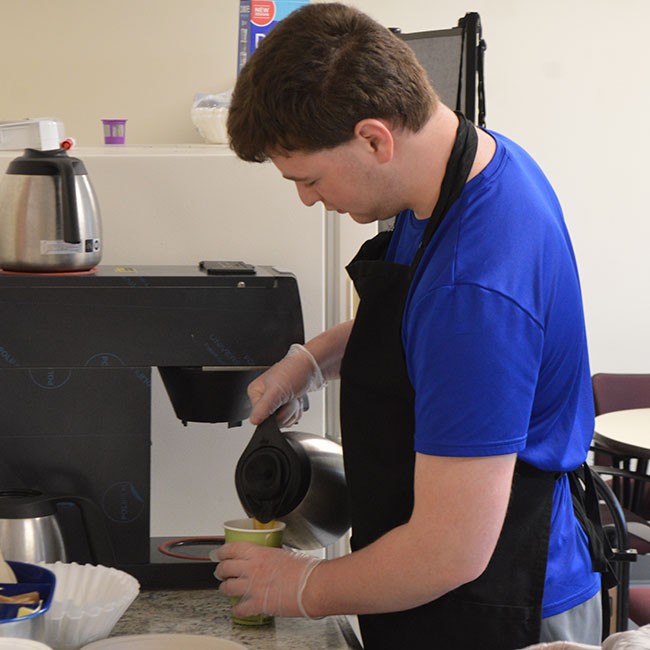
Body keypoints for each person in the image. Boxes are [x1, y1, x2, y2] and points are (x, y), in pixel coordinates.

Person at [215, 4, 606, 649]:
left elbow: (447, 553)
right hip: (443, 582)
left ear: (374, 139)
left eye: (308, 178)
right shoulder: (469, 168)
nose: (307, 199)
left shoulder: (476, 286)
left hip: (500, 604)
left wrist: (301, 586)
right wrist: (310, 360)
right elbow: (417, 324)